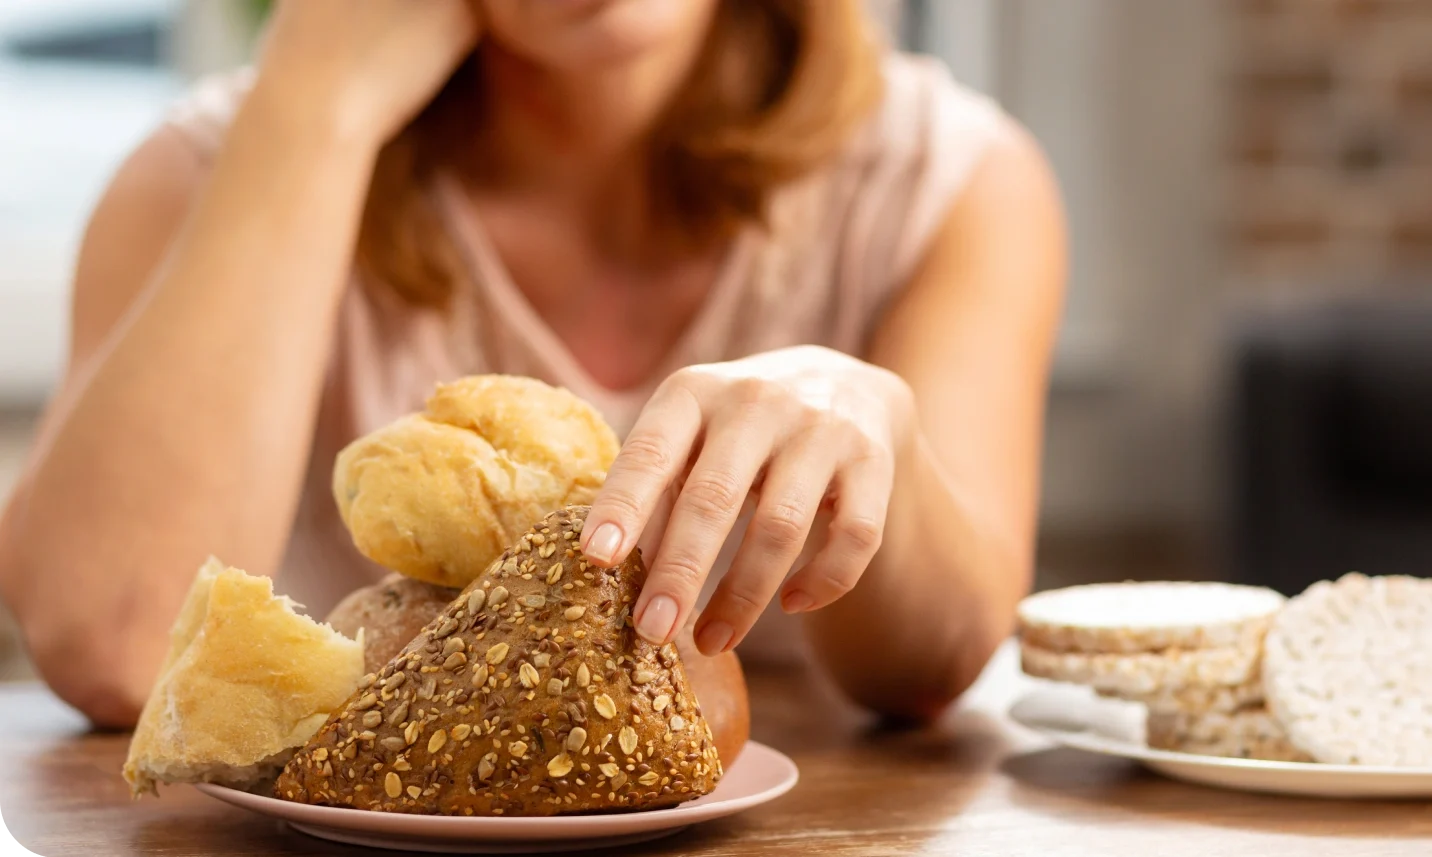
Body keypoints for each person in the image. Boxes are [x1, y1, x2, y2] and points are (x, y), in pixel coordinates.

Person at [0, 0, 1065, 728]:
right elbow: (117, 645)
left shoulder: (951, 179)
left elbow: (930, 666)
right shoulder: (206, 171)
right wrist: (313, 108)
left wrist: (868, 423)